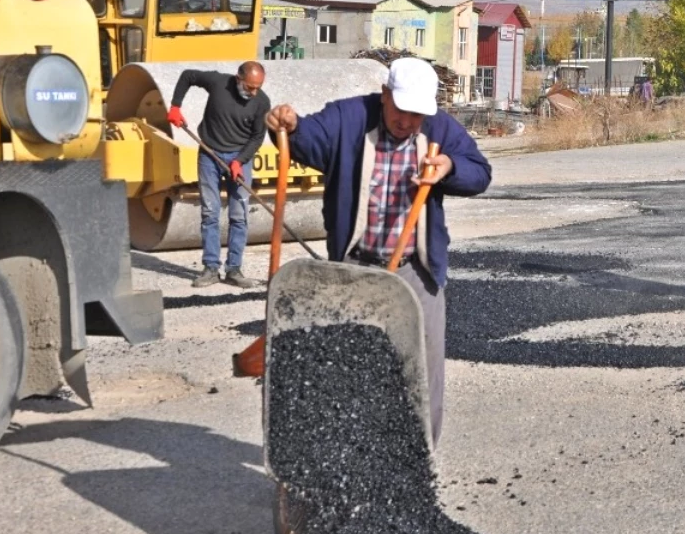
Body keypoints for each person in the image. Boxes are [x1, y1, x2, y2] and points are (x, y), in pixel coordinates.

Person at [264, 57, 492, 444]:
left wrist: (449, 166)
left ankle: (420, 461)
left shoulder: (439, 128)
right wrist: (289, 125)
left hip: (415, 269)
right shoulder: (350, 116)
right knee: (354, 368)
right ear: (385, 95)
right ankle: (357, 455)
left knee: (422, 370)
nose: (407, 122)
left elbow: (479, 173)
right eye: (401, 111)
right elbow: (307, 141)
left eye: (417, 115)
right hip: (356, 269)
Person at [167, 62, 270, 289]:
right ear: (237, 78)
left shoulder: (261, 102)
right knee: (210, 212)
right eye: (249, 87)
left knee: (239, 214)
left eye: (258, 87)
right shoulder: (218, 83)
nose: (253, 92)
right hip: (209, 154)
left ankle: (234, 269)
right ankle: (210, 268)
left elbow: (256, 138)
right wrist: (175, 106)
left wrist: (239, 161)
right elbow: (188, 75)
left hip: (239, 158)